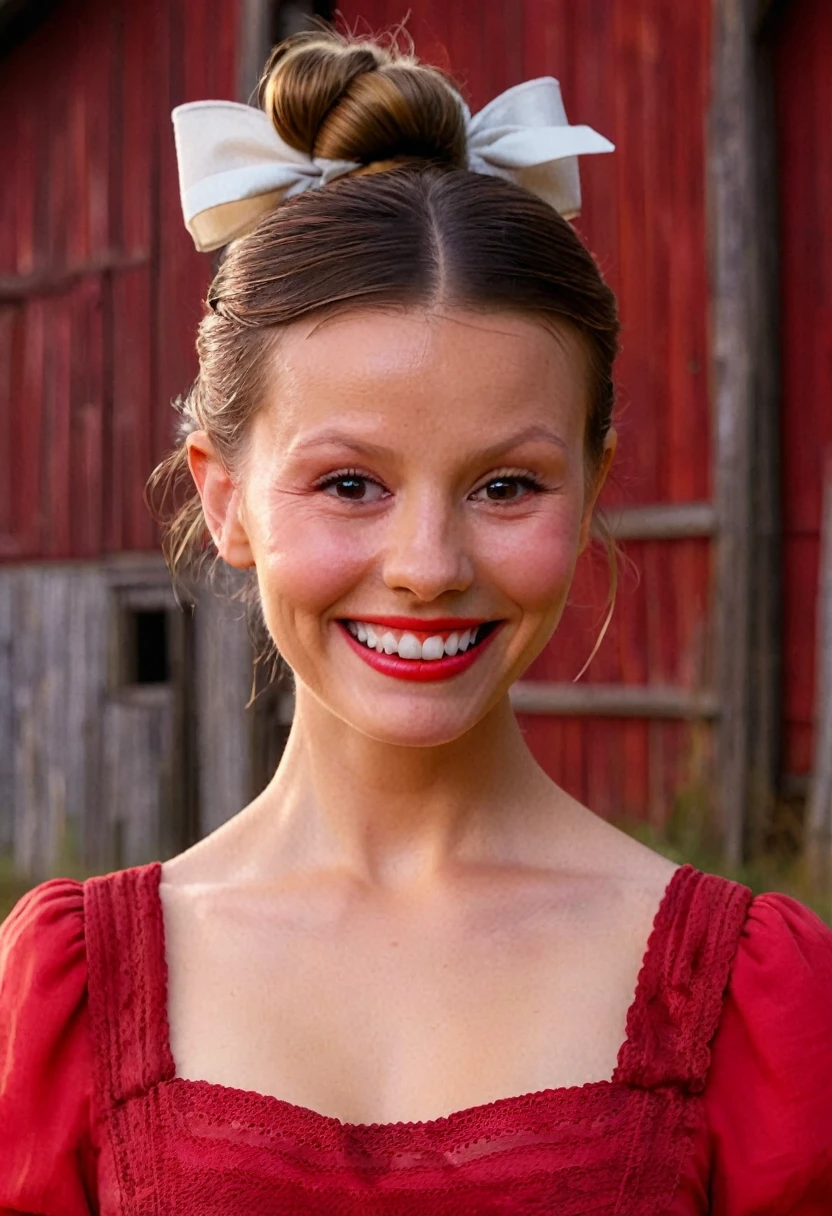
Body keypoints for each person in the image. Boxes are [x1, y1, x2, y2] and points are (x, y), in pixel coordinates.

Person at [2, 27, 832, 1216]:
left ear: (590, 490)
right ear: (223, 496)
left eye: (506, 485)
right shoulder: (66, 1005)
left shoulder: (756, 999)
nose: (429, 566)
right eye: (350, 483)